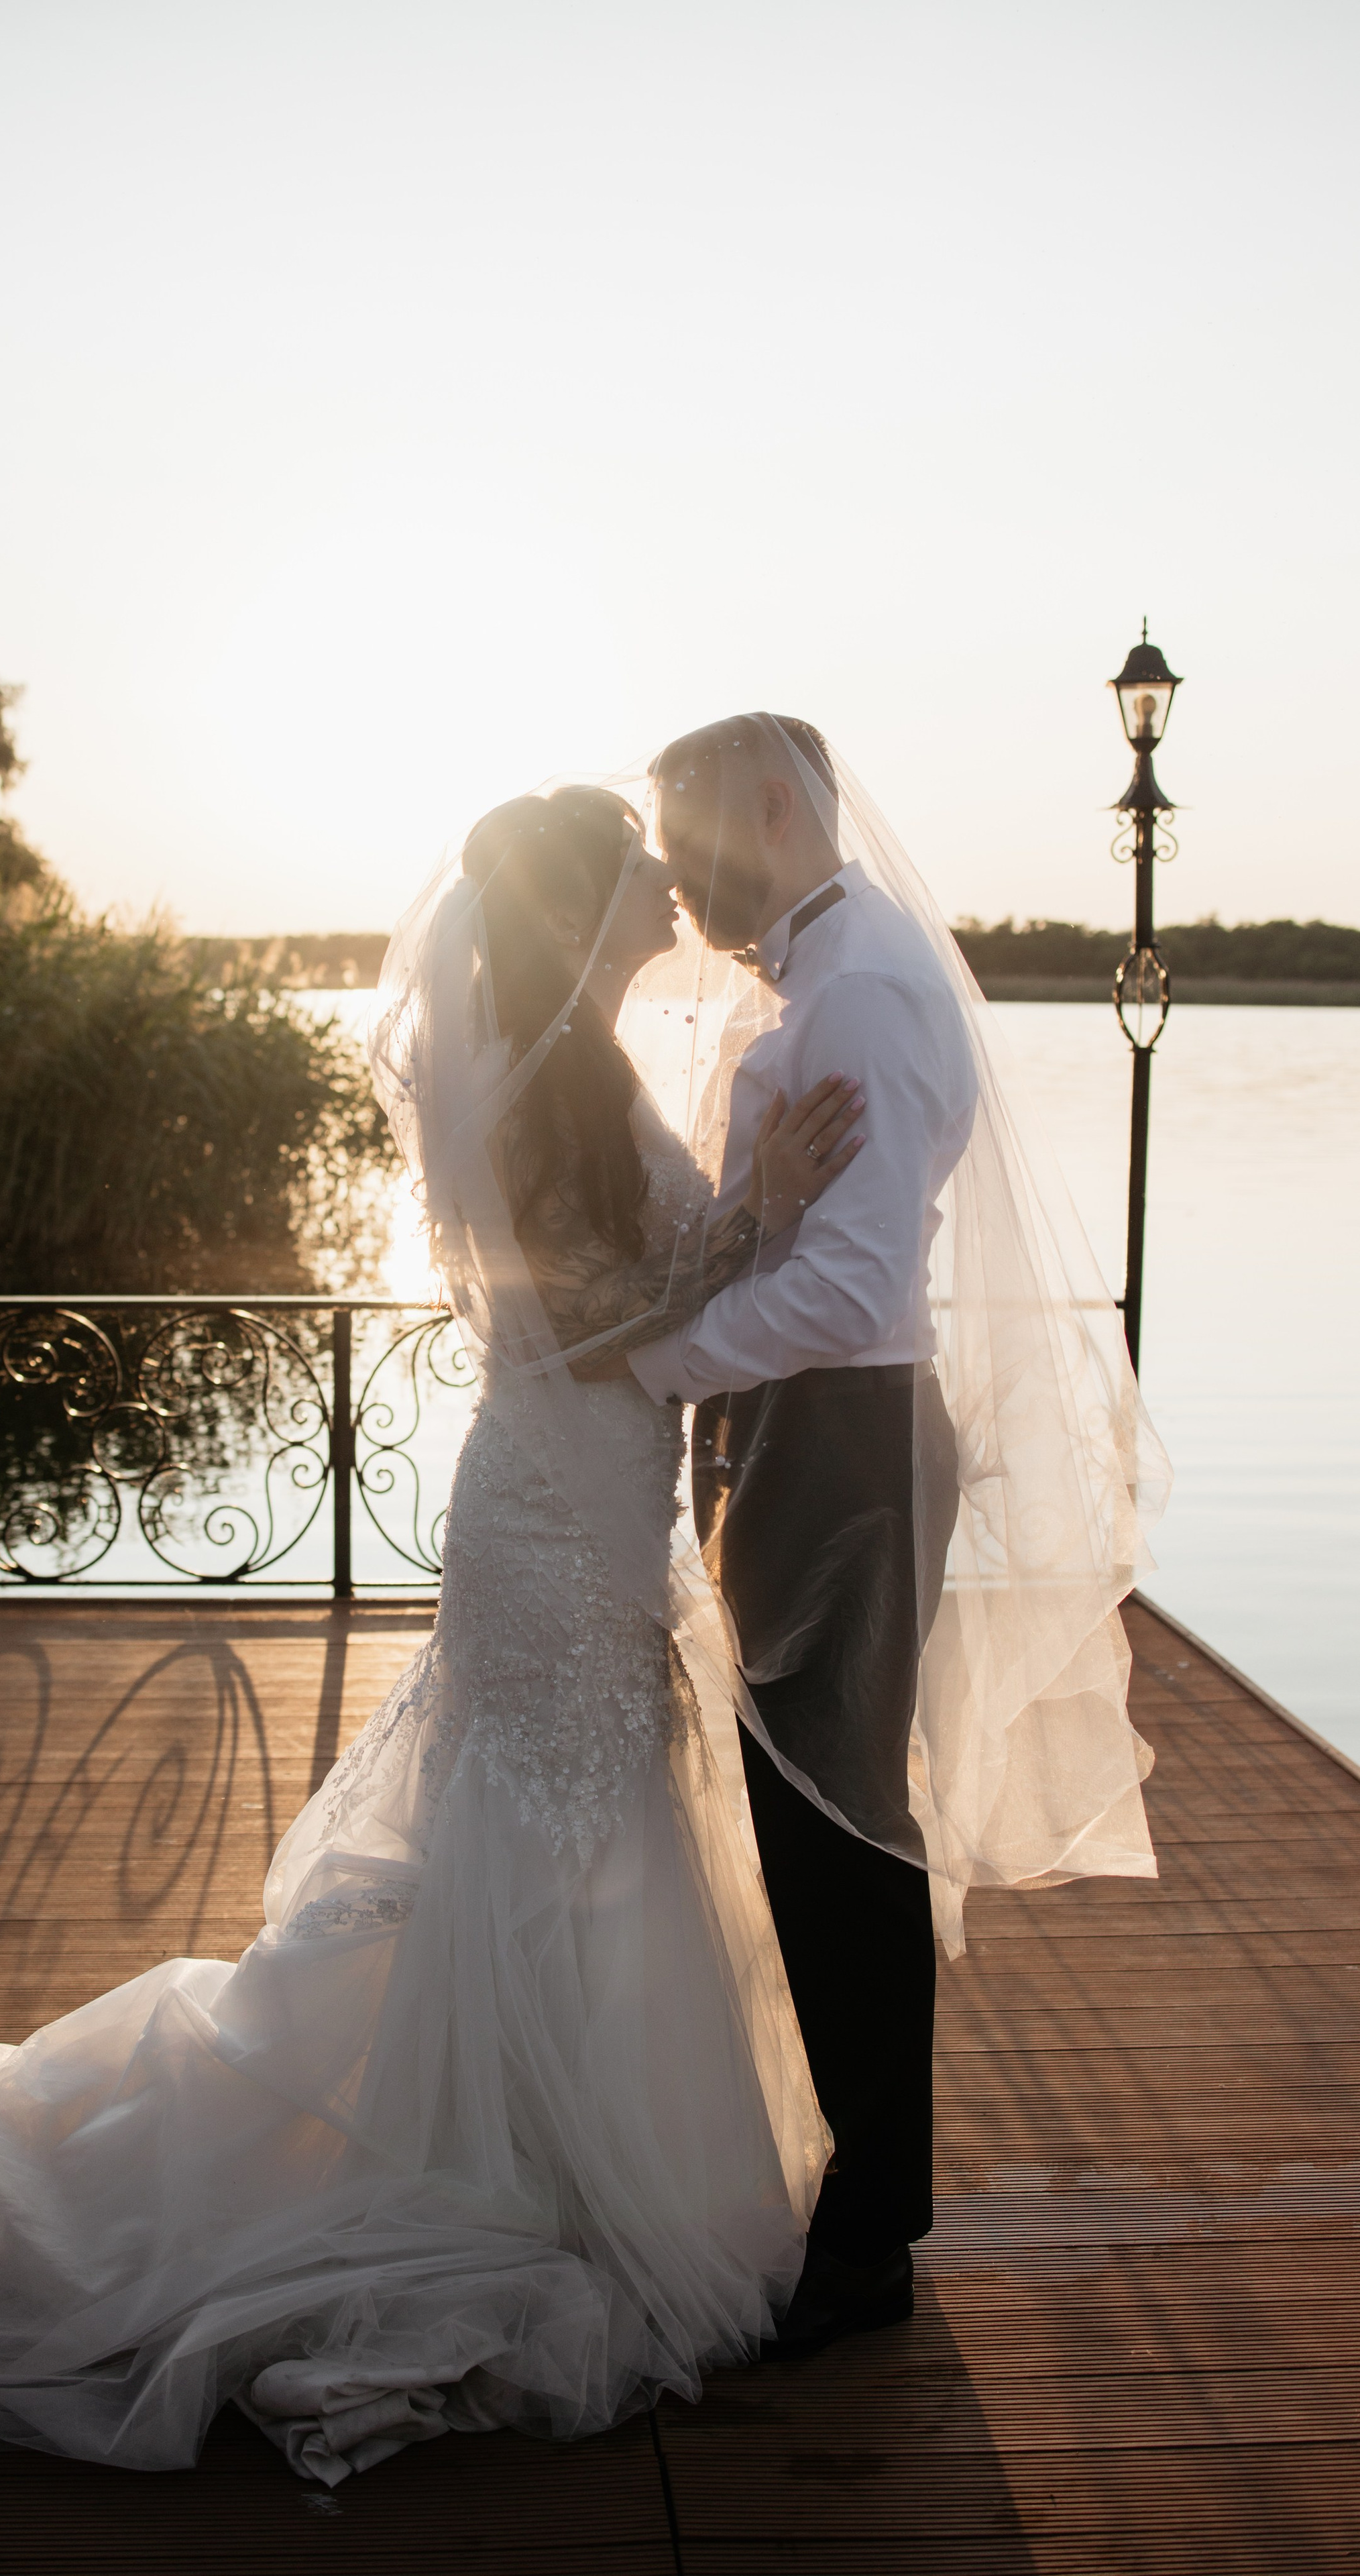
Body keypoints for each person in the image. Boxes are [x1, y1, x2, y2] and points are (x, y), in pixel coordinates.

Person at [0, 787, 861, 2487]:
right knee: (548, 1812)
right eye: (642, 876)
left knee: (570, 1821)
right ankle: (502, 2168)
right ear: (585, 908)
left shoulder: (562, 1065)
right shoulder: (546, 1085)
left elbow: (618, 1307)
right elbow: (591, 1331)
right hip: (553, 1501)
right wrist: (764, 1210)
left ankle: (537, 2144)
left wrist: (744, 1208)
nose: (671, 896)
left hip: (582, 1500)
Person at [609, 712, 1166, 2354]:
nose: (669, 874)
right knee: (813, 1823)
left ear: (771, 808)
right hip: (808, 1441)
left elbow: (849, 1290)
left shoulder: (856, 989)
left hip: (841, 1452)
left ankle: (868, 2240)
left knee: (840, 1831)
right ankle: (857, 2200)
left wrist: (647, 1372)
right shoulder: (829, 974)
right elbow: (805, 1249)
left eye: (684, 833)